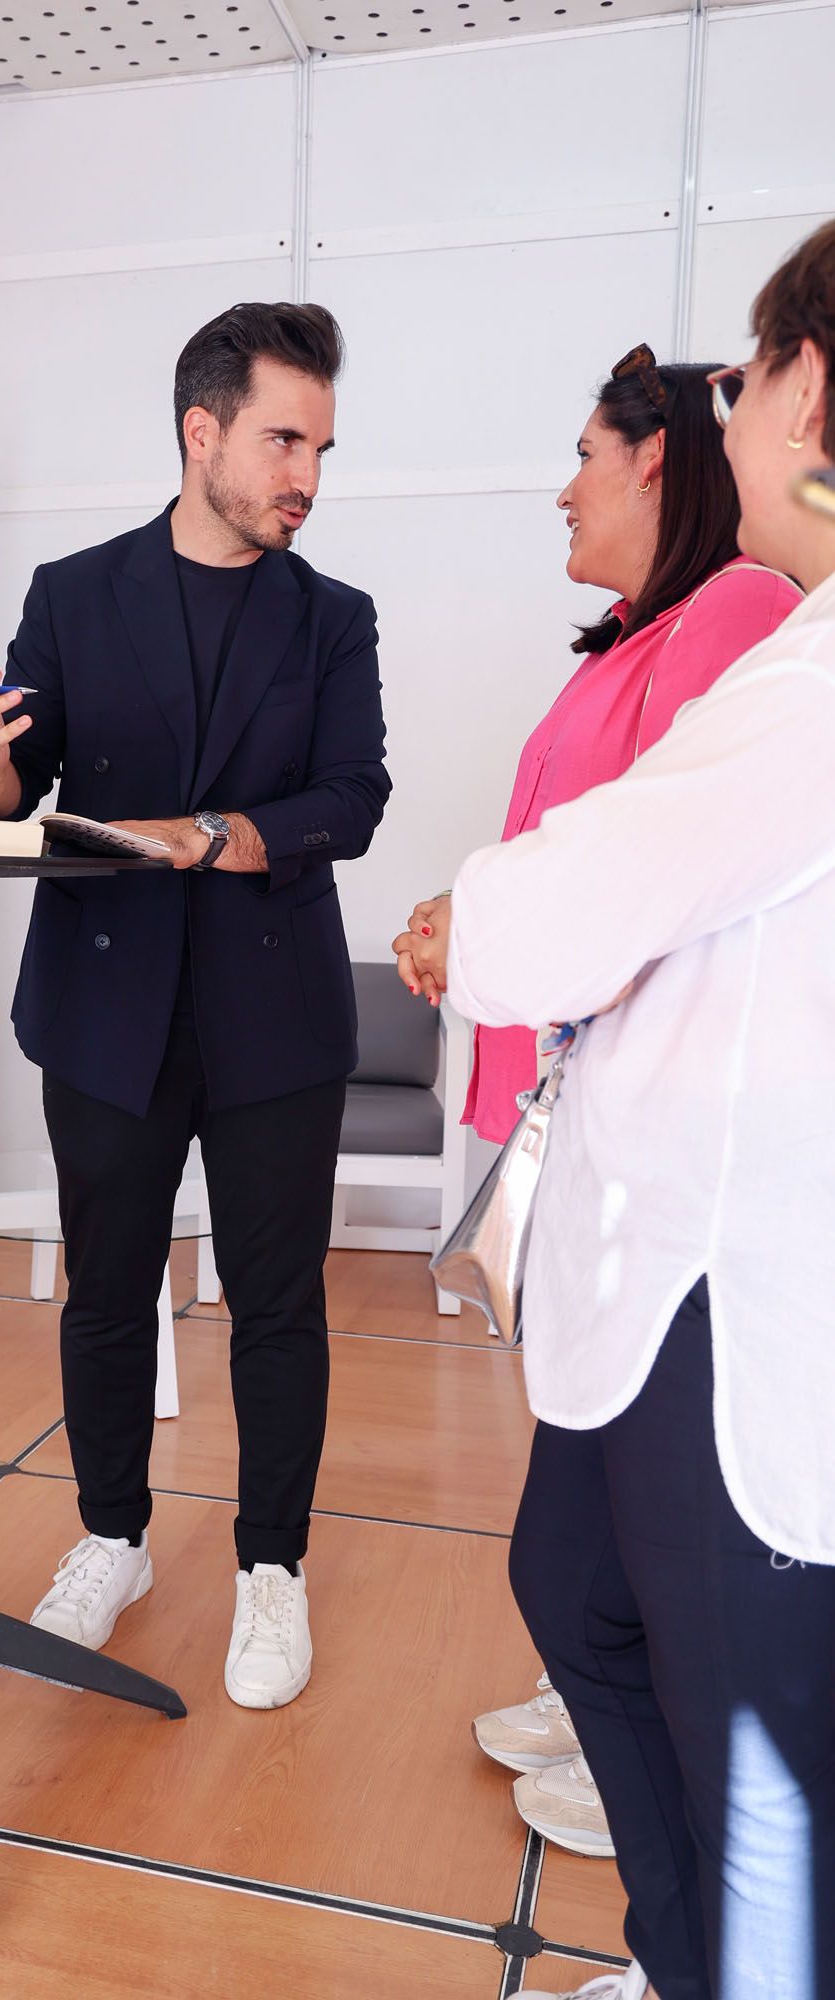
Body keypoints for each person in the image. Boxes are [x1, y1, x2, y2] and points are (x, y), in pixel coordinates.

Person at [393, 217, 835, 2000]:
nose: (732, 421)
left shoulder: (789, 653)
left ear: (809, 388)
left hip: (731, 1282)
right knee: (582, 1592)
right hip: (650, 1231)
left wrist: (475, 915)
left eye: (748, 378)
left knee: (748, 1750)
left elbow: (589, 880)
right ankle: (680, 1961)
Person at [0, 303, 390, 1709]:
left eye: (319, 443)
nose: (305, 470)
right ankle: (112, 1538)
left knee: (275, 1305)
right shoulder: (72, 594)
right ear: (202, 433)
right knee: (106, 1291)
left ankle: (272, 1569)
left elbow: (350, 798)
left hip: (273, 1016)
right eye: (281, 438)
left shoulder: (334, 617)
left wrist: (215, 834)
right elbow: (13, 793)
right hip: (102, 1008)